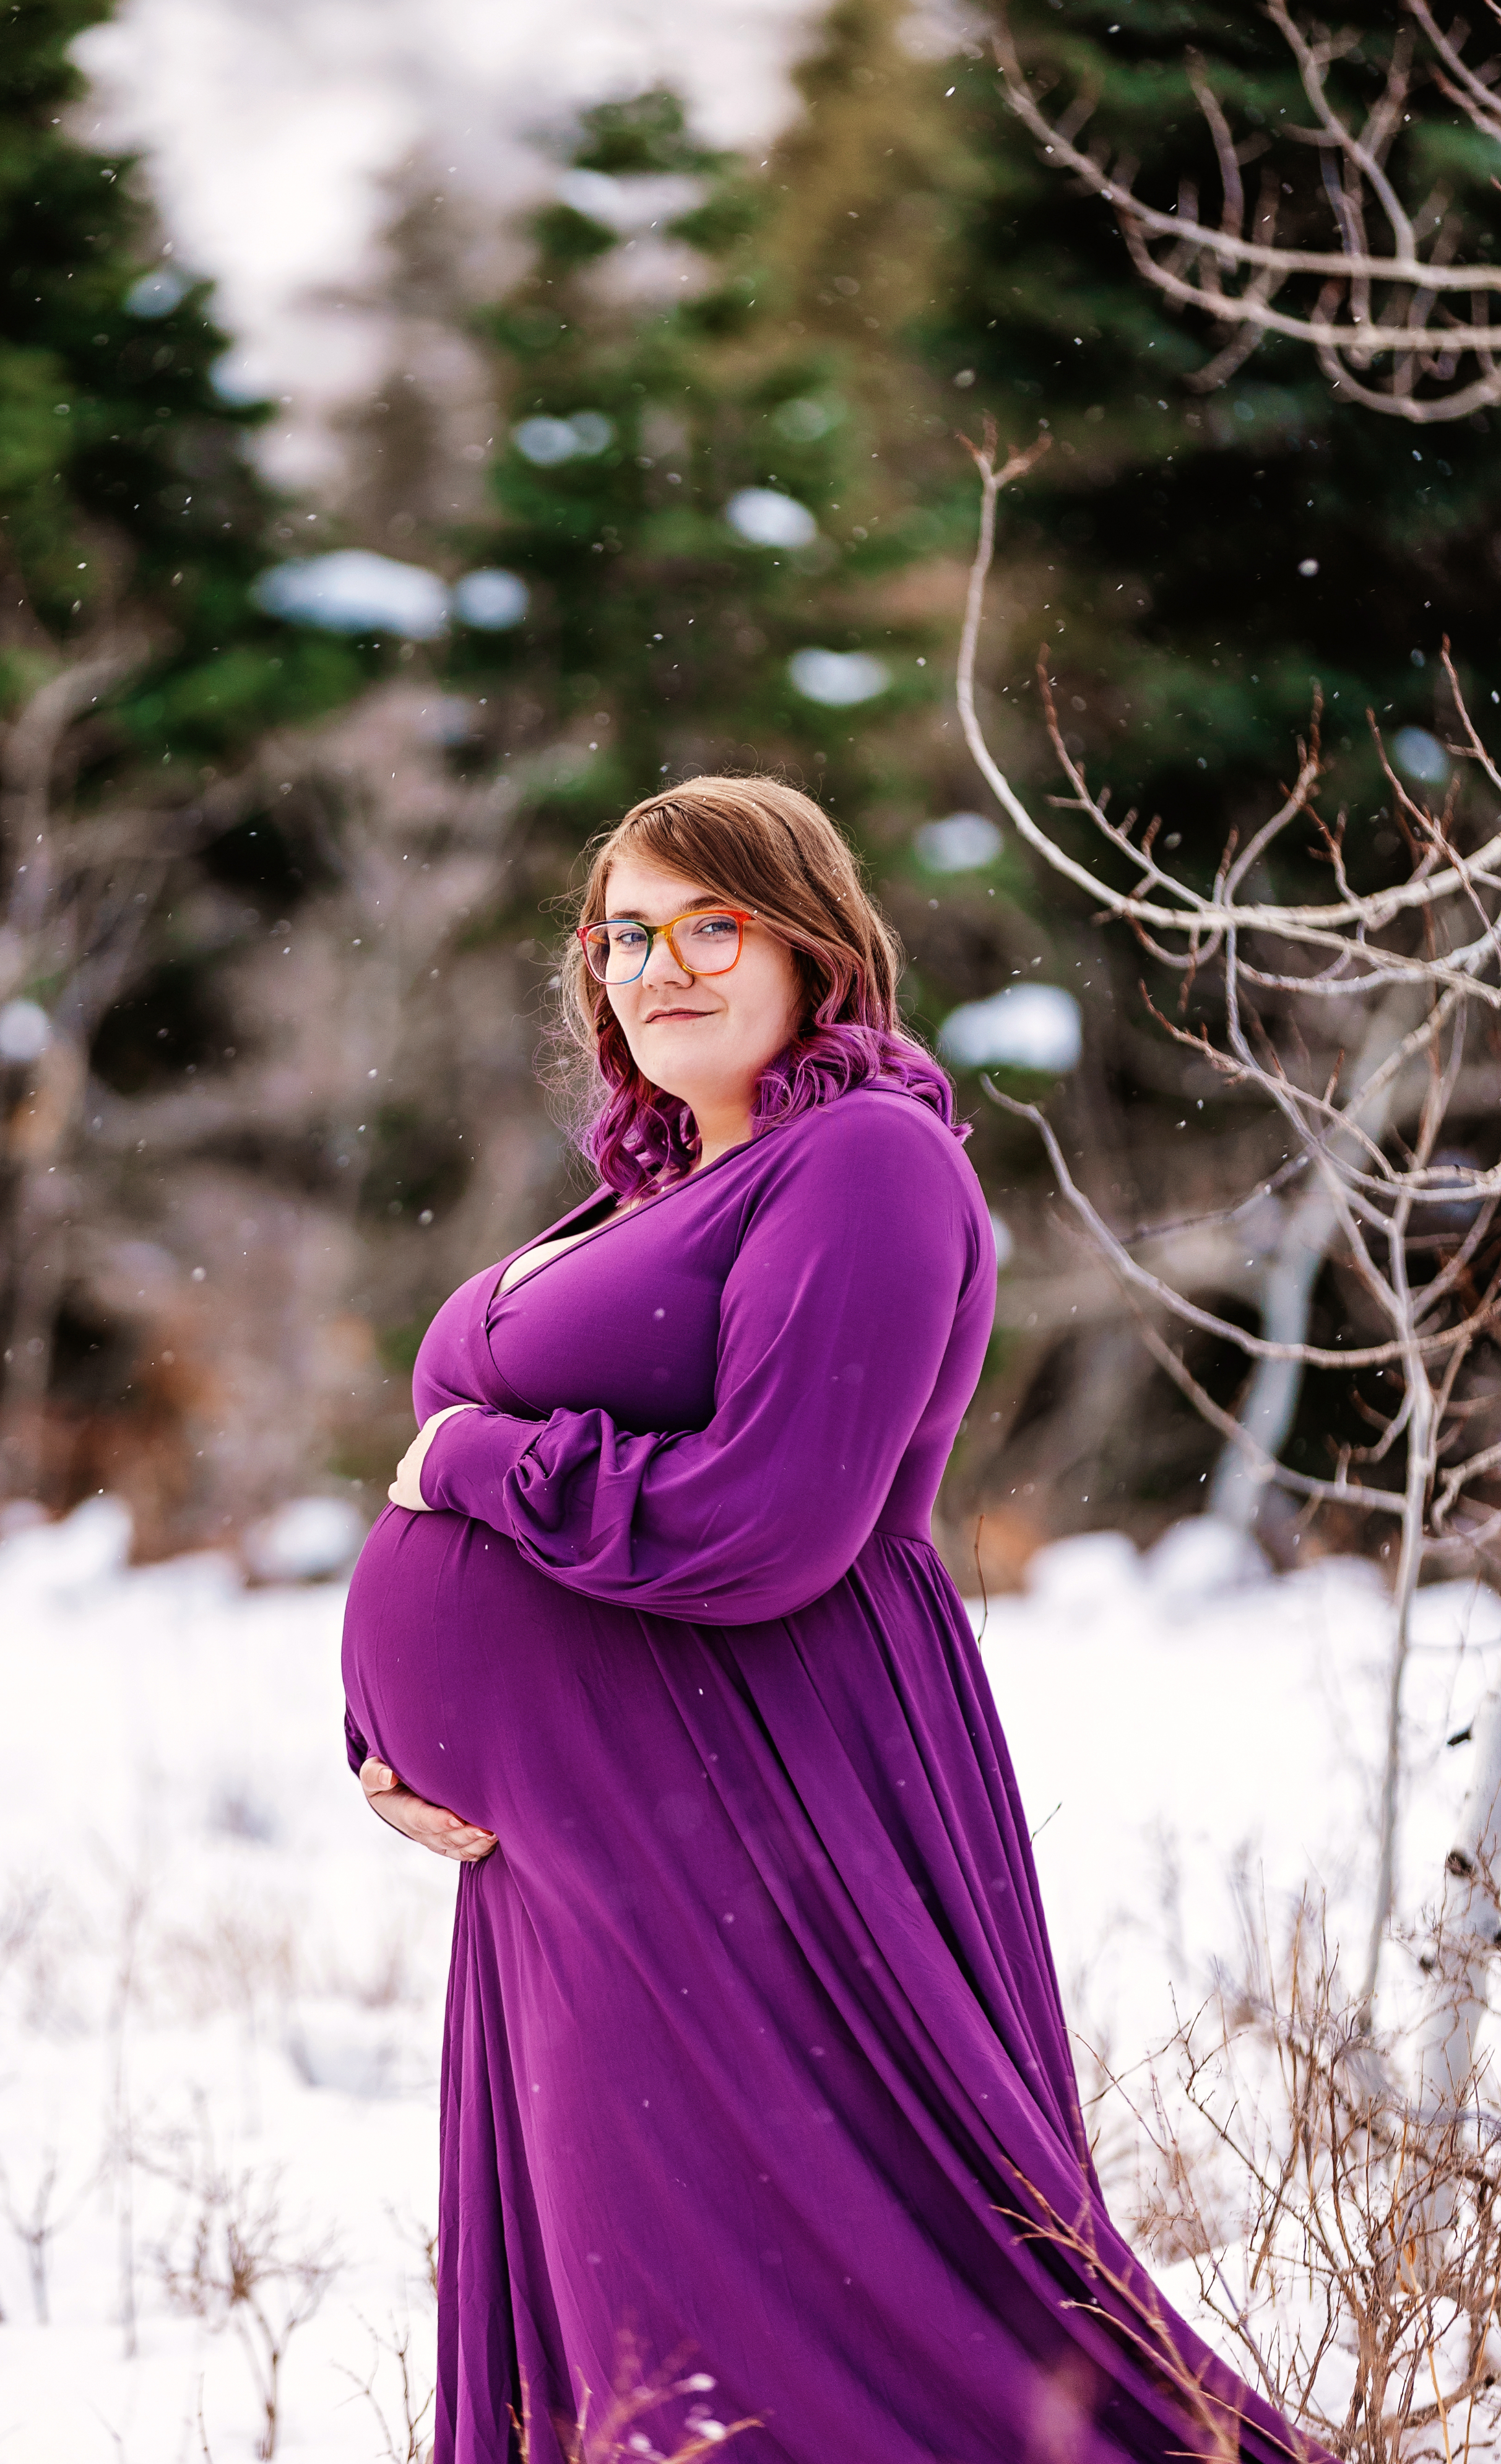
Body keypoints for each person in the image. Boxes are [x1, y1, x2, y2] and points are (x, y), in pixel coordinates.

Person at [340, 774, 1320, 2464]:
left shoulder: (867, 1157)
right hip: (577, 1833)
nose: (660, 966)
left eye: (710, 925)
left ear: (812, 945)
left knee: (798, 2281)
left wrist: (474, 1459)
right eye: (625, 935)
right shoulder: (657, 1190)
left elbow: (768, 1522)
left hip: (750, 1777)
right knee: (624, 2287)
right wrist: (391, 1732)